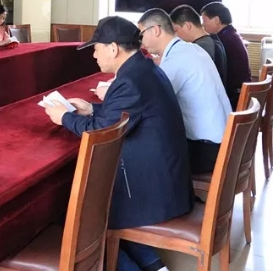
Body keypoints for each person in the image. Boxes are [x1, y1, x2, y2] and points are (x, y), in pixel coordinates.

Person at [44, 16, 193, 271]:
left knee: (82, 216)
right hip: (165, 178)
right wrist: (92, 108)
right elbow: (126, 113)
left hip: (152, 189)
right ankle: (154, 265)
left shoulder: (130, 80)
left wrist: (64, 117)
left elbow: (102, 134)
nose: (94, 55)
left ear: (113, 48)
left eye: (96, 48)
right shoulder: (143, 69)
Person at [139, 8, 231, 174]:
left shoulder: (178, 58)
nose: (141, 41)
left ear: (156, 30)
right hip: (224, 143)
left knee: (140, 153)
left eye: (142, 34)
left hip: (207, 151)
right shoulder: (192, 49)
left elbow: (150, 101)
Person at [201, 2, 252, 109]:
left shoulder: (223, 41)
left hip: (233, 97)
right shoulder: (230, 34)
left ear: (216, 20)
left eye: (205, 20)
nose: (203, 25)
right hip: (240, 93)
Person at [169, 4, 227, 87]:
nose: (176, 35)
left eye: (176, 30)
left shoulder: (200, 48)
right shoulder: (212, 39)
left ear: (188, 26)